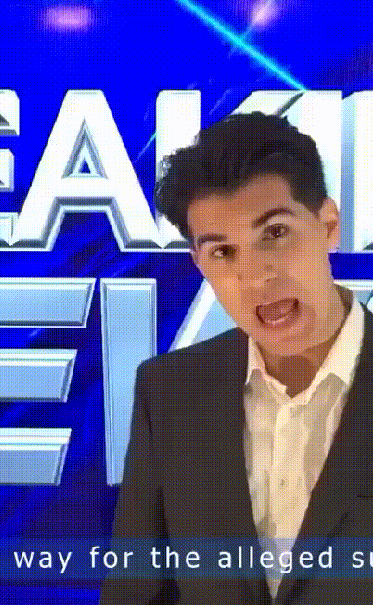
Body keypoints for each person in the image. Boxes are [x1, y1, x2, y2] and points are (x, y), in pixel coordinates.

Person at [99, 112, 373, 604]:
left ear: (328, 225)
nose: (256, 275)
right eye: (223, 252)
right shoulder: (169, 392)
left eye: (275, 233)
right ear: (200, 264)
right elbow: (135, 591)